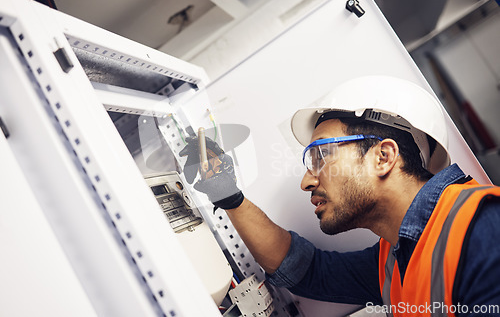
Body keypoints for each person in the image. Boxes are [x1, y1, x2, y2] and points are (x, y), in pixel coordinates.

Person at [180, 75, 500, 316]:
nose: (307, 181)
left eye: (321, 157)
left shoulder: (485, 231)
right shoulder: (394, 256)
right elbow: (308, 272)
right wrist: (228, 197)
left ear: (383, 157)